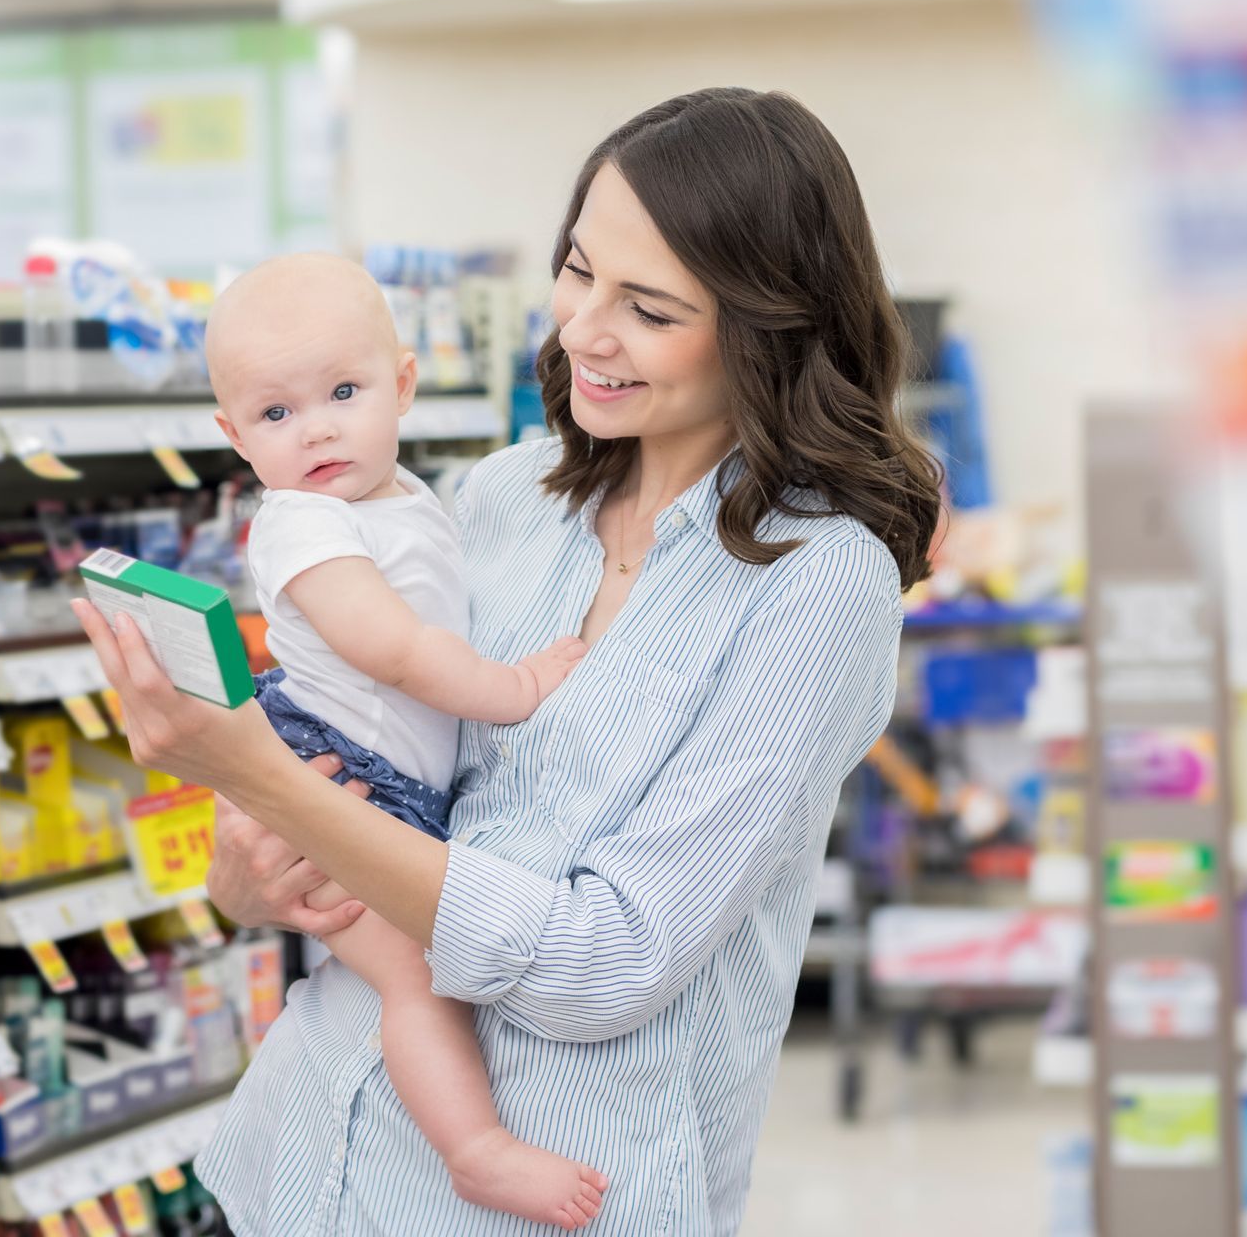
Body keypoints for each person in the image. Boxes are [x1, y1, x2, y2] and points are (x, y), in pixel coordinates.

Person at [74, 88, 942, 1234]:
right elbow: (383, 797)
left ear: (766, 325)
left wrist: (262, 775)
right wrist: (249, 874)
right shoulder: (502, 498)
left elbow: (608, 962)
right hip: (313, 1155)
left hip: (549, 1197)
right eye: (578, 270)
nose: (584, 328)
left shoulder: (816, 583)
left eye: (648, 306)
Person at [204, 253, 602, 1229]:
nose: (320, 428)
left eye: (344, 391)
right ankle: (477, 1150)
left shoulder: (409, 499)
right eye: (277, 414)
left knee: (410, 971)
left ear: (405, 383)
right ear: (234, 435)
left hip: (385, 783)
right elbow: (393, 648)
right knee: (416, 980)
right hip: (341, 776)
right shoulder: (300, 523)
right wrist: (514, 687)